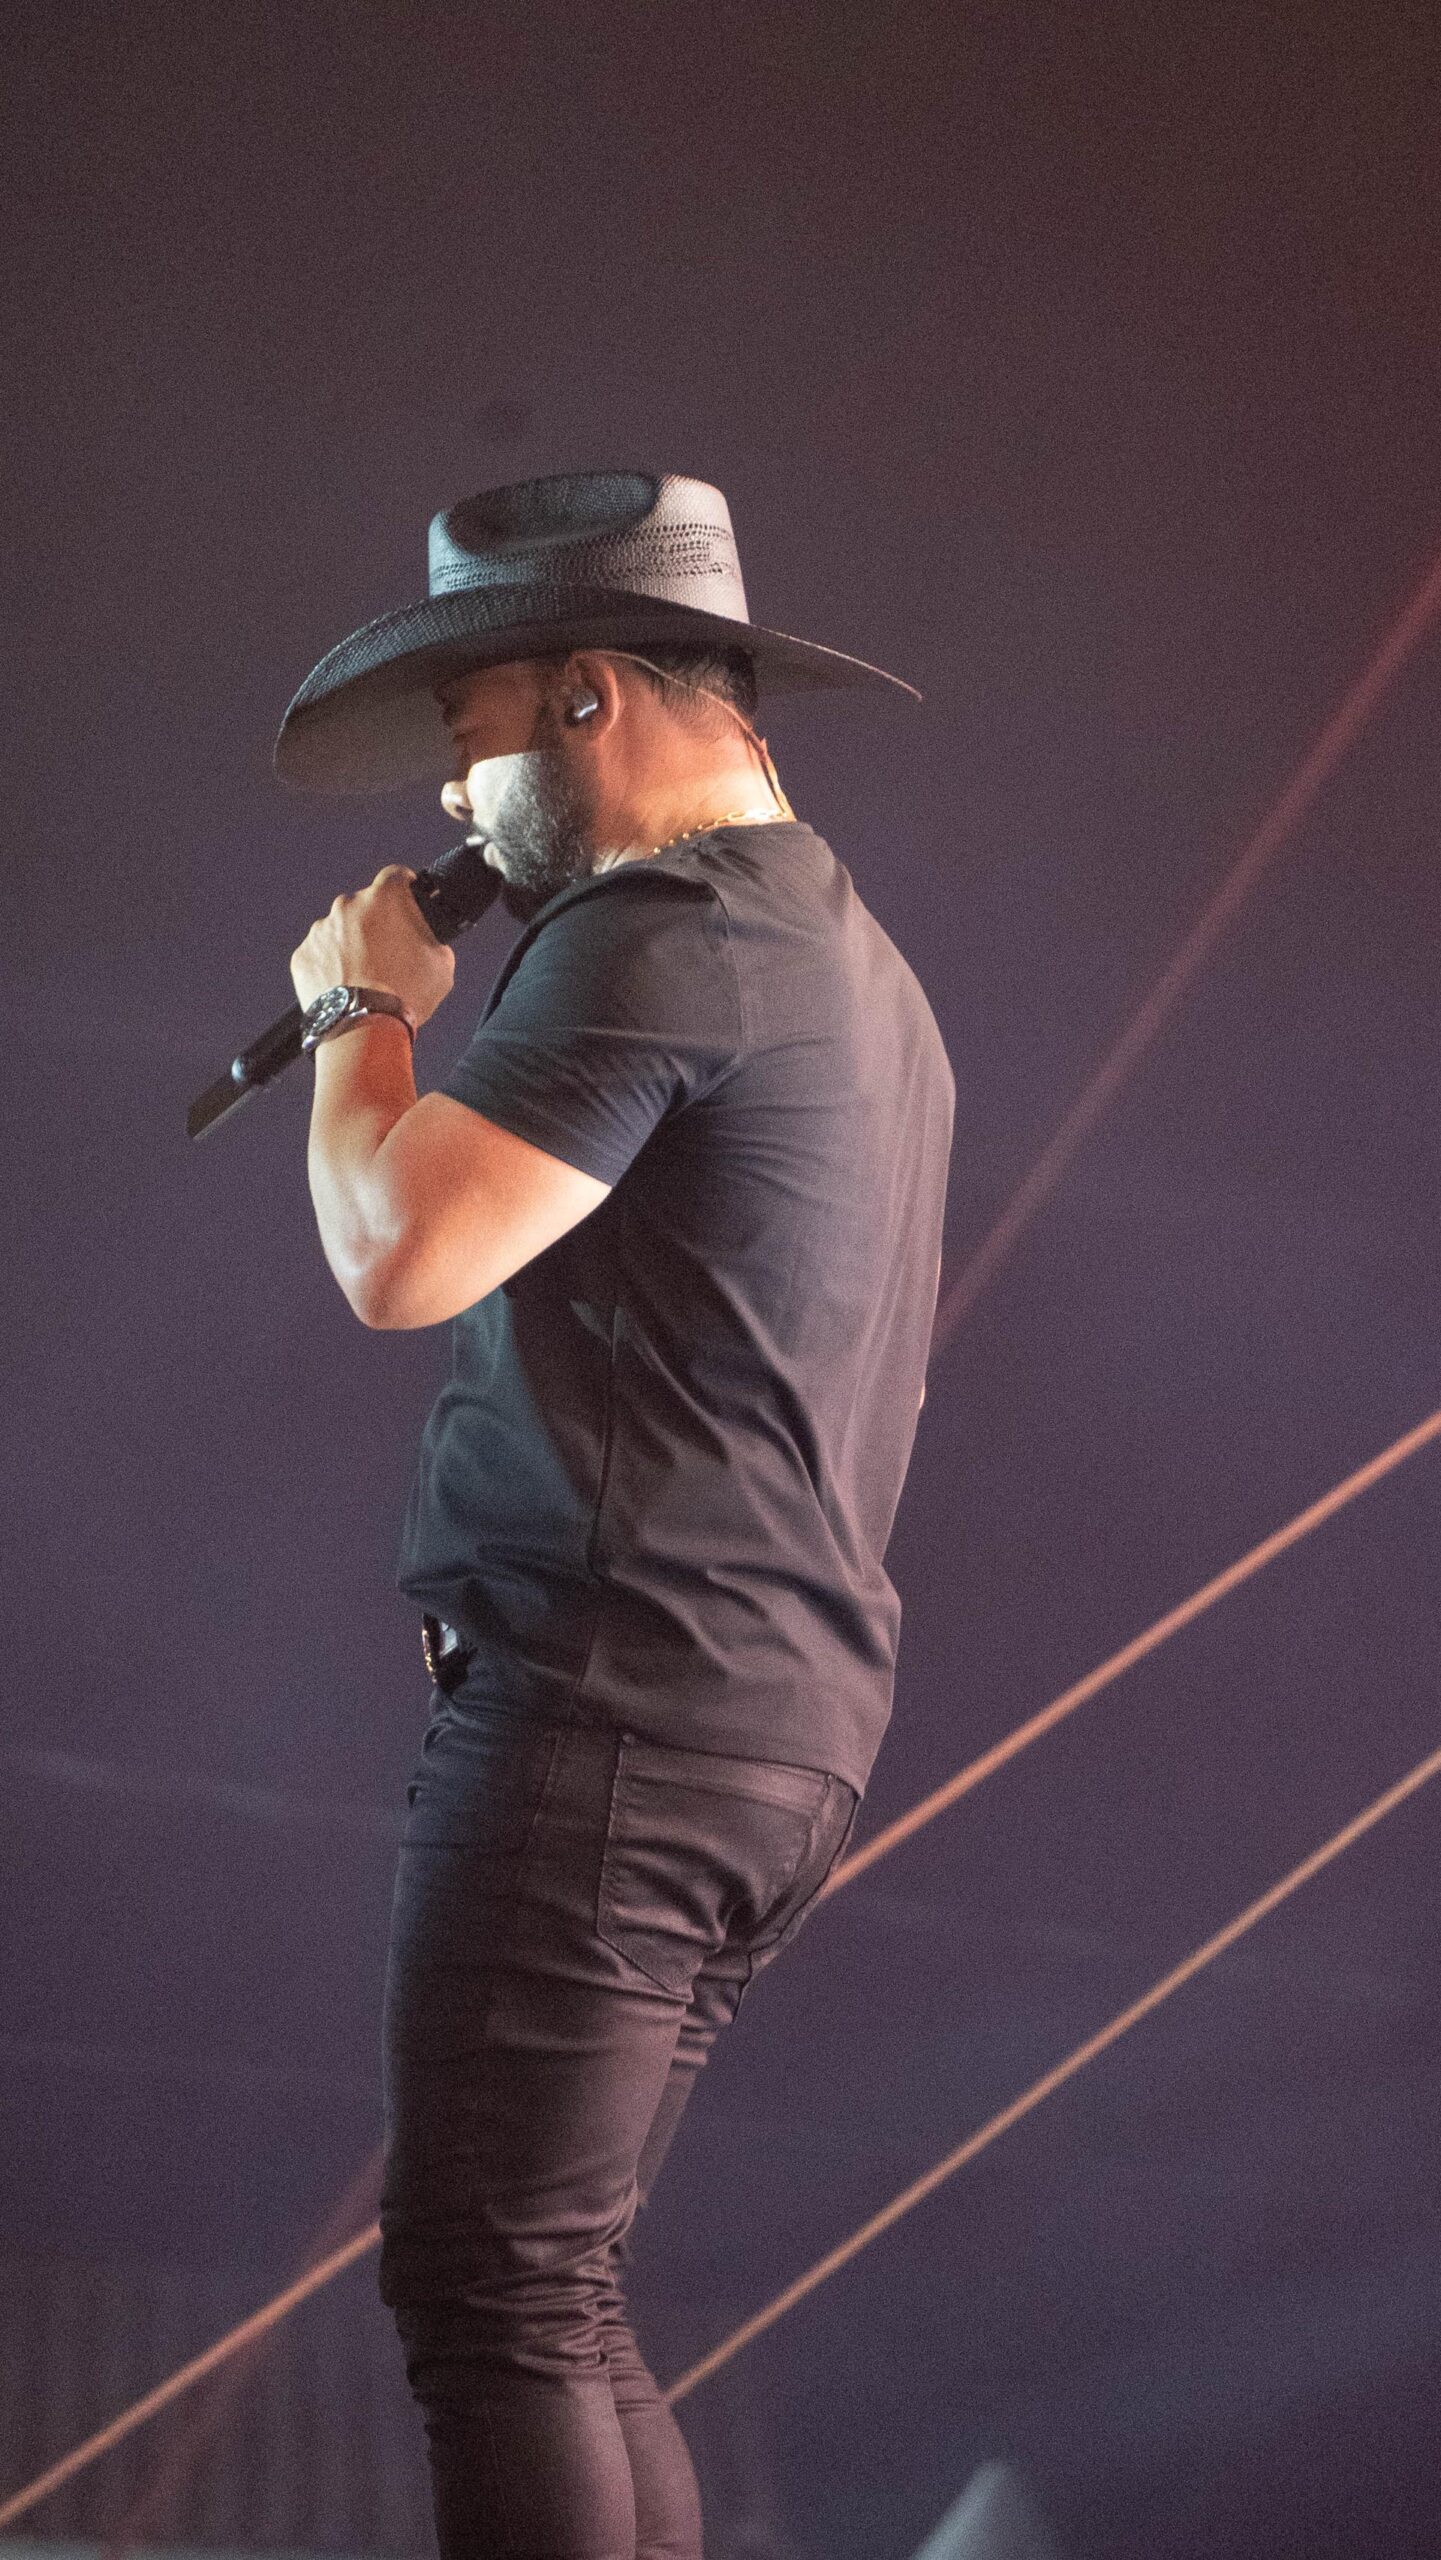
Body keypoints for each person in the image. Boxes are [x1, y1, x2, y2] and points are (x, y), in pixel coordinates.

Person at [279, 471, 955, 2560]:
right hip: (758, 1730)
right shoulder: (854, 965)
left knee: (489, 2299)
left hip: (608, 1709)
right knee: (549, 2299)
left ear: (587, 696)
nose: (454, 802)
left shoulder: (662, 930)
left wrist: (362, 1011)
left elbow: (399, 1250)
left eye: (467, 731)